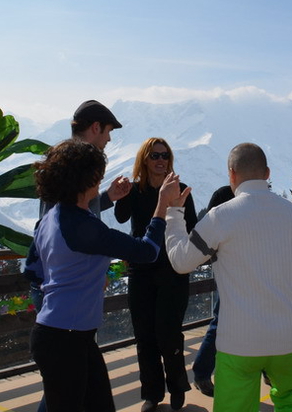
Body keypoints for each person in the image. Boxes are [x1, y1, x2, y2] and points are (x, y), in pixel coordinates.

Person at [164, 143, 292, 412]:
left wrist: (174, 214)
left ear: (231, 174)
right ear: (267, 173)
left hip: (238, 341)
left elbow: (180, 262)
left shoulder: (219, 217)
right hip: (289, 337)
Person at [24, 140, 186, 412]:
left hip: (64, 334)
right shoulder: (84, 226)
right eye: (98, 175)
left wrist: (85, 274)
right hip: (67, 339)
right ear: (87, 179)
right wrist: (162, 204)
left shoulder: (52, 218)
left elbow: (33, 270)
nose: (100, 180)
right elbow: (147, 251)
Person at [30, 100, 131, 412]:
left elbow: (72, 214)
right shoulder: (71, 166)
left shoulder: (67, 167)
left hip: (61, 293)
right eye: (108, 132)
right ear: (96, 127)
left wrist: (108, 198)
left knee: (68, 382)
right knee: (65, 383)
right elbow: (69, 227)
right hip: (61, 295)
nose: (109, 139)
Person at [115, 138, 197, 412]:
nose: (161, 160)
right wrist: (123, 192)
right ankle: (152, 394)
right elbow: (121, 217)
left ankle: (177, 387)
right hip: (141, 271)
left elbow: (192, 227)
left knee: (169, 333)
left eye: (165, 155)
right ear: (145, 159)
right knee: (145, 336)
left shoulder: (181, 189)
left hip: (172, 271)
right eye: (154, 155)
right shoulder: (135, 190)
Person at [191, 185, 236, 398]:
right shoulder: (225, 195)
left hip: (245, 269)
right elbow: (206, 229)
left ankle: (266, 368)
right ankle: (201, 373)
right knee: (221, 320)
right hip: (228, 269)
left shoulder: (249, 196)